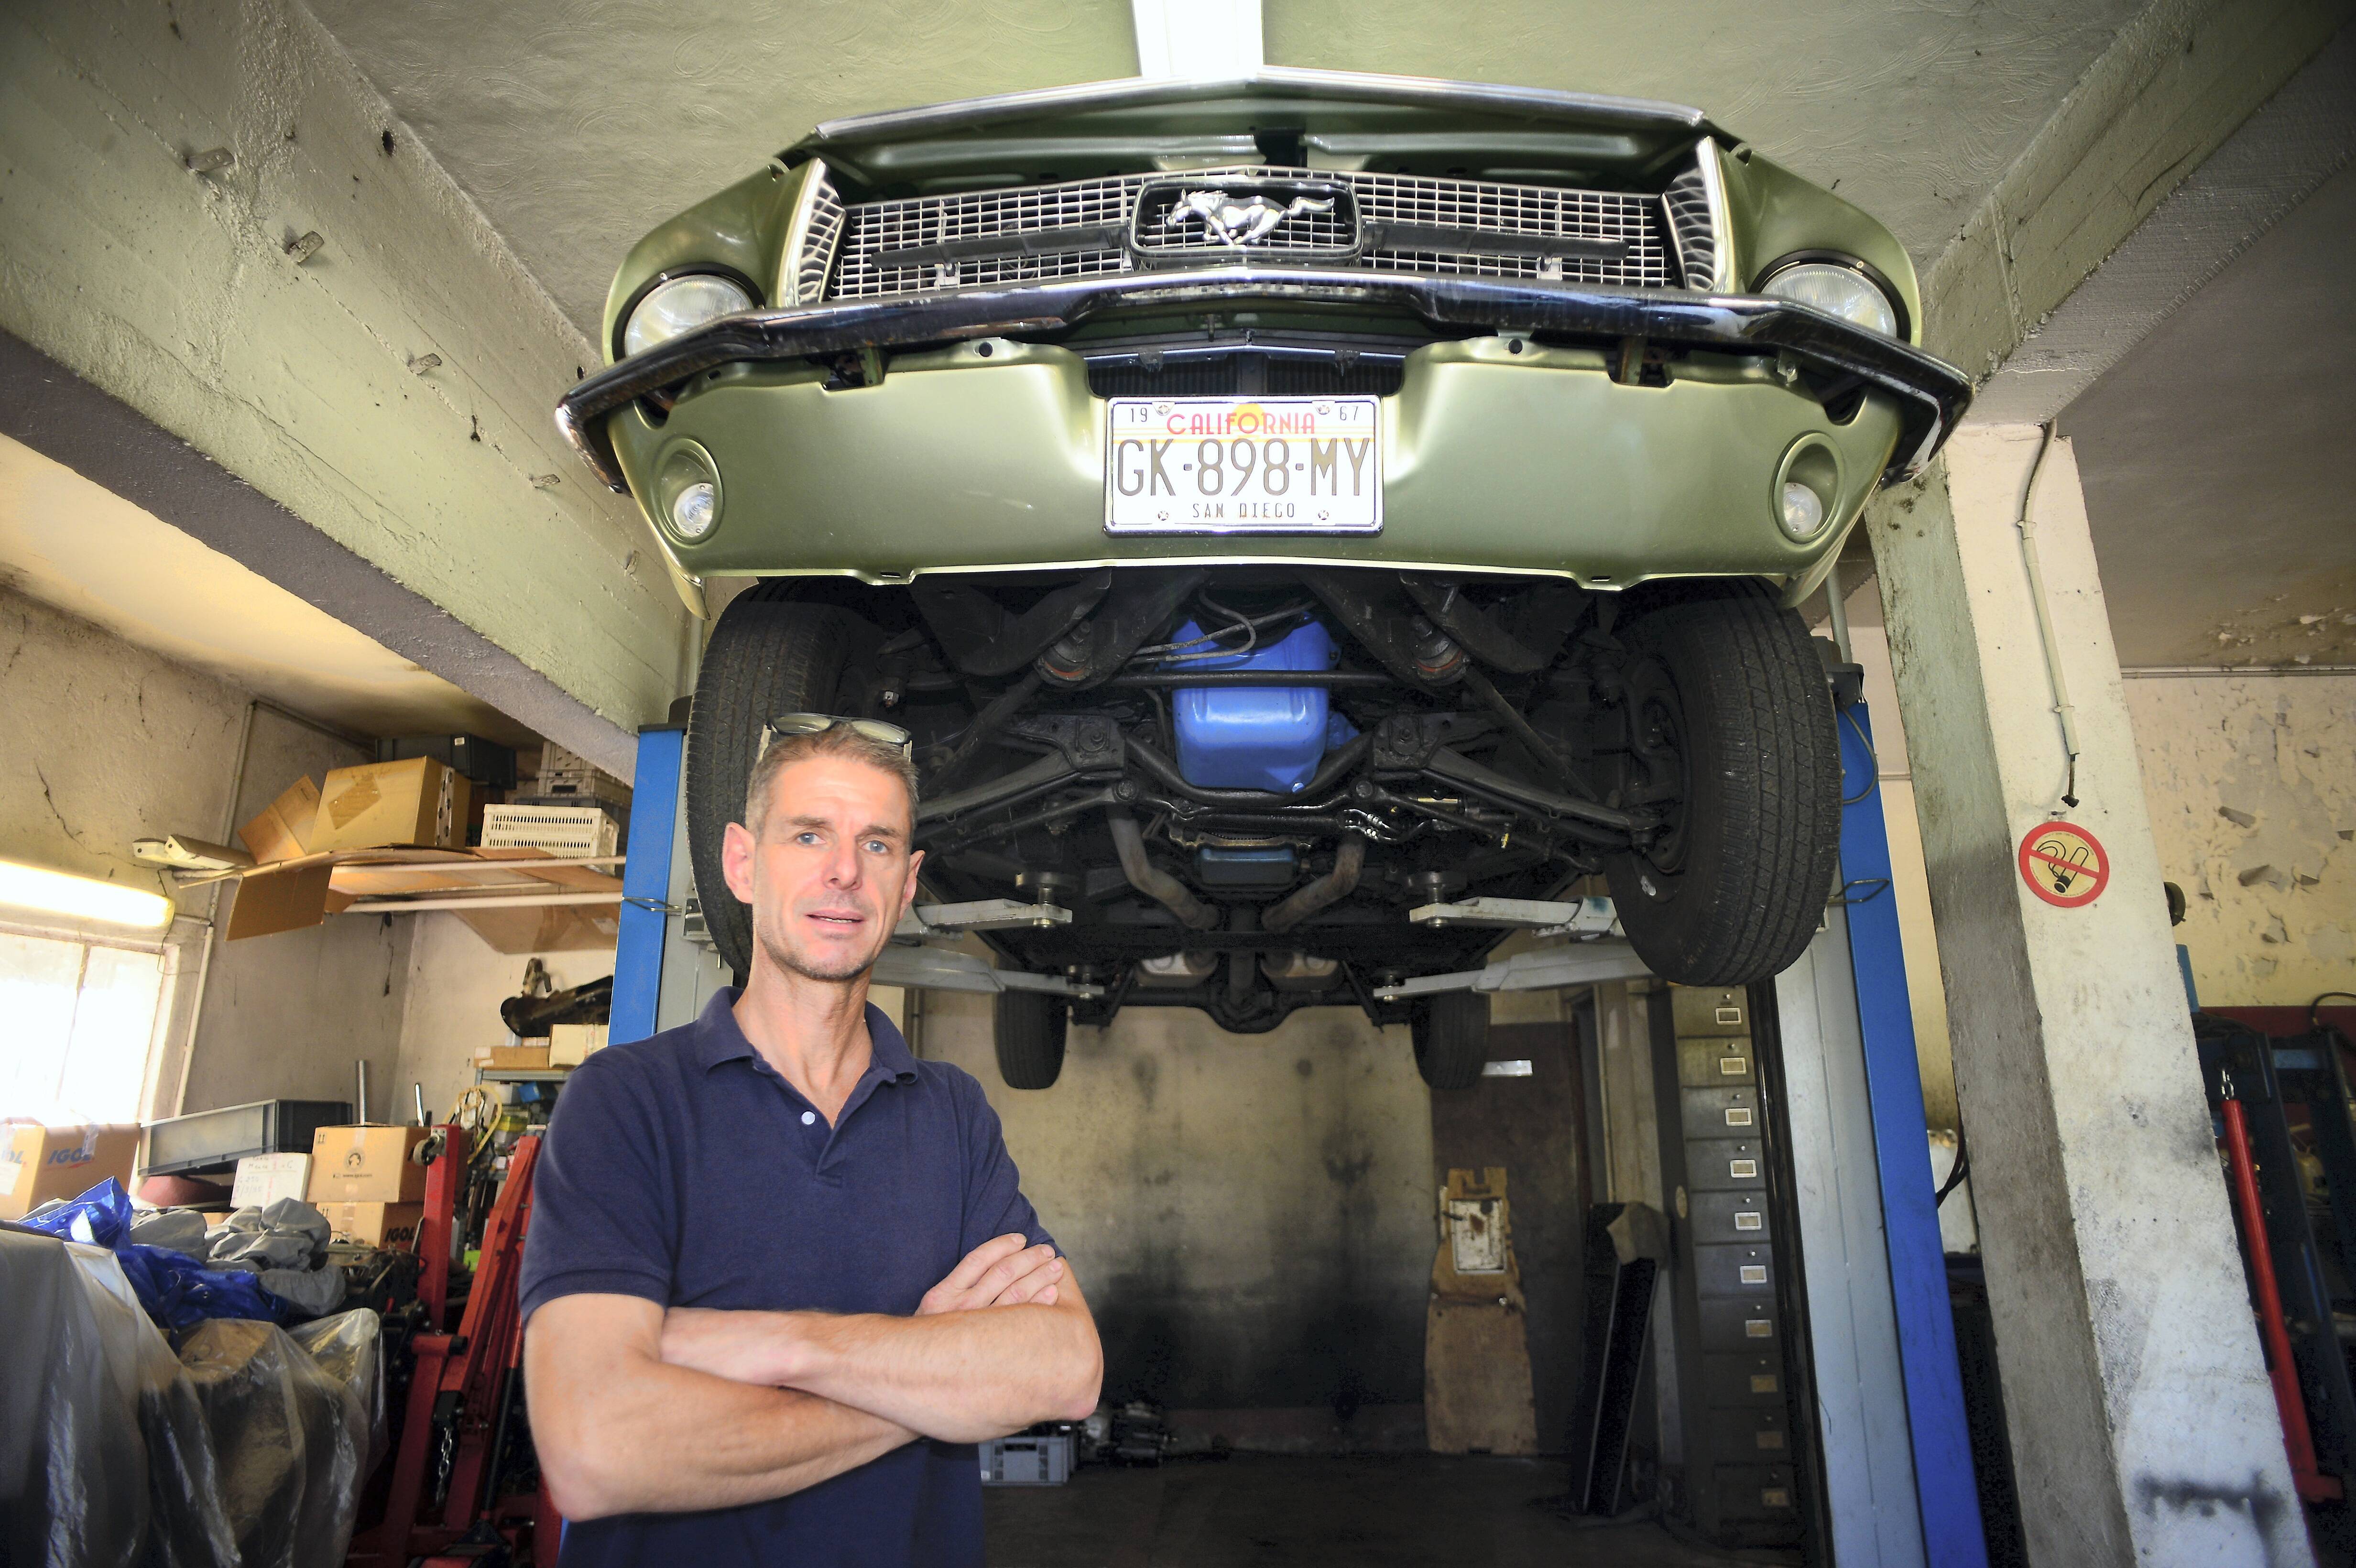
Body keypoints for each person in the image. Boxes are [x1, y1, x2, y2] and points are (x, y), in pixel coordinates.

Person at [521, 716, 1102, 1567]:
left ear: (908, 886)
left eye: (877, 844)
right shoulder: (626, 1100)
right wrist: (928, 1367)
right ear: (741, 862)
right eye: (808, 835)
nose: (844, 871)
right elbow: (596, 1450)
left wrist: (780, 1343)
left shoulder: (951, 1113)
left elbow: (1066, 1369)